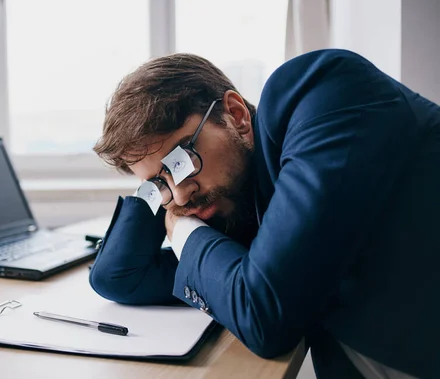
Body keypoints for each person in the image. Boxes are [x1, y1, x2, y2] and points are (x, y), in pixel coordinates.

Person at [88, 49, 440, 379]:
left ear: (237, 116)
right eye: (158, 183)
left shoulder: (322, 90)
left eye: (181, 161)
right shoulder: (236, 202)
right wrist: (163, 188)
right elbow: (118, 276)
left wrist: (181, 228)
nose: (181, 193)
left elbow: (264, 317)